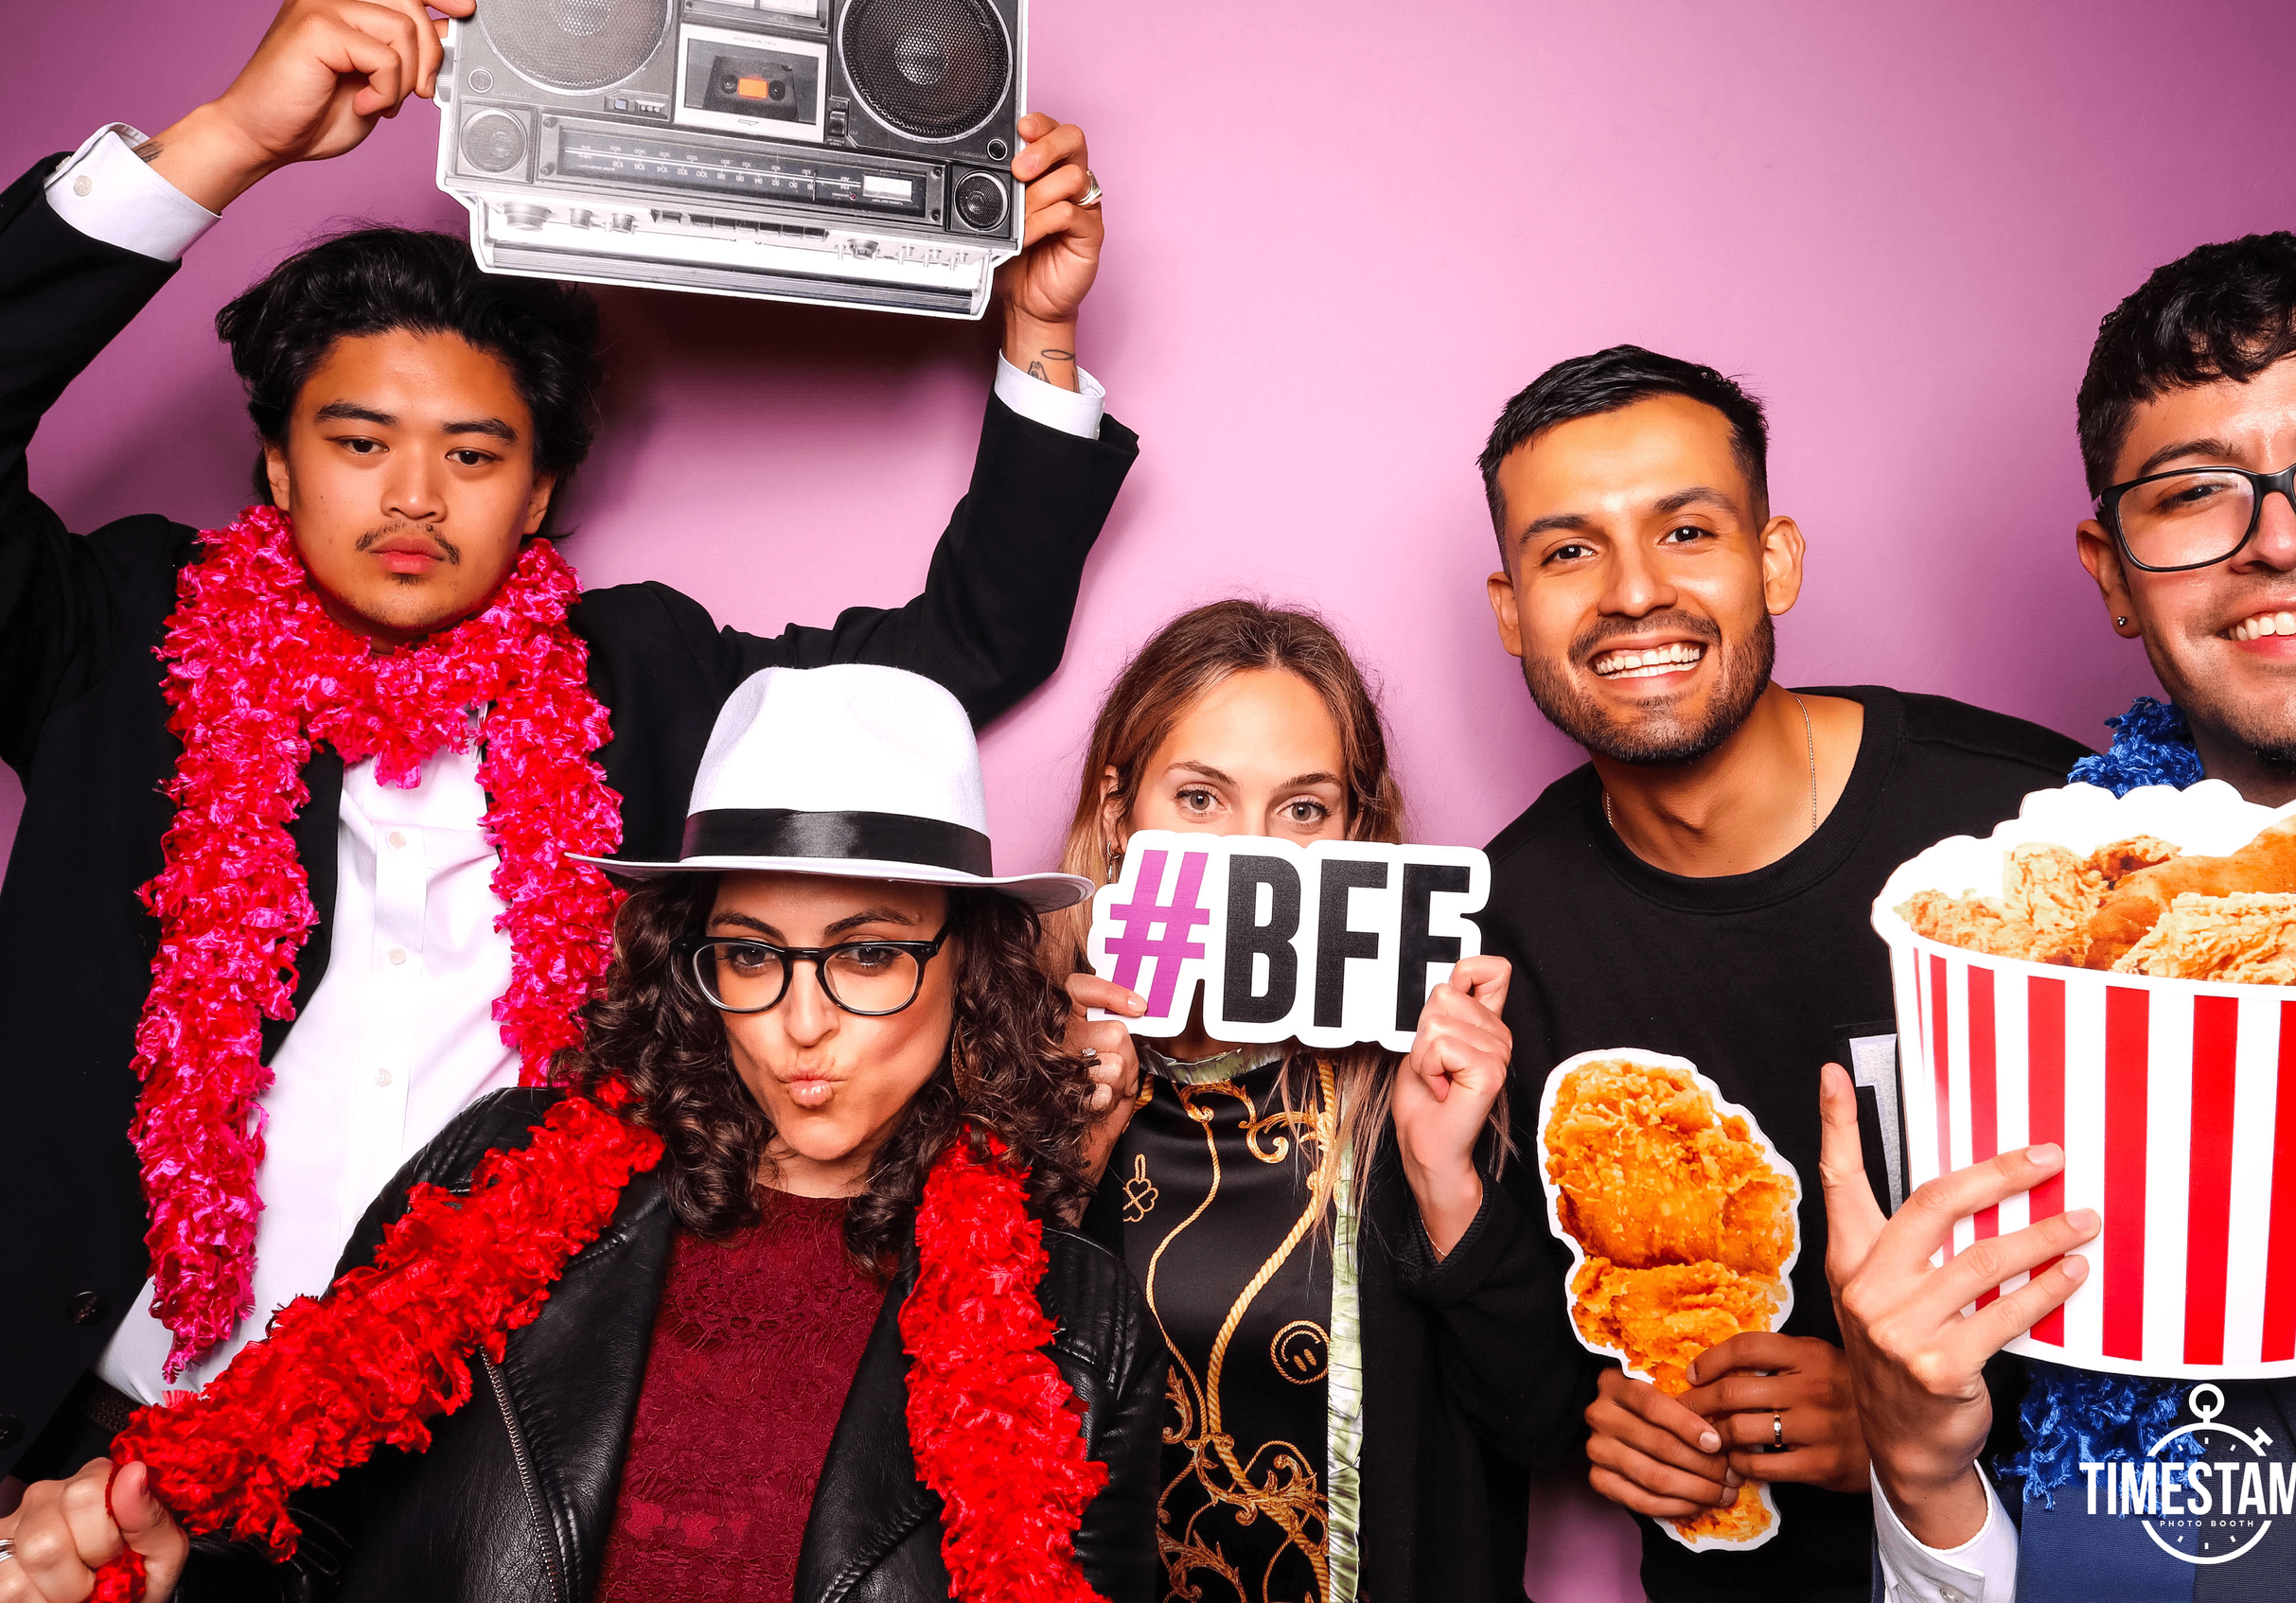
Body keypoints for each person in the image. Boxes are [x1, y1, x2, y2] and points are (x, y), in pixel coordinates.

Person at [0, 0, 1132, 1489]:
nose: (415, 493)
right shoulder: (123, 631)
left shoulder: (639, 677)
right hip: (96, 1444)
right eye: (358, 440)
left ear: (538, 494)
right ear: (276, 460)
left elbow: (958, 652)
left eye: (473, 454)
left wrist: (1039, 335)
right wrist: (229, 140)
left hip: (460, 1461)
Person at [0, 664, 1165, 1602]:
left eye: (867, 952)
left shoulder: (1079, 1325)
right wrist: (180, 1572)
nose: (801, 1028)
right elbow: (304, 1549)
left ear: (971, 962)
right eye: (753, 953)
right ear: (693, 963)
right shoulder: (494, 1171)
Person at [1473, 345, 2090, 1602]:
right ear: (1509, 609)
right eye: (1568, 551)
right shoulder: (1503, 919)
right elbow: (1532, 1383)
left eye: (1686, 528)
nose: (1633, 594)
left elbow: (2222, 1252)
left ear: (1776, 560)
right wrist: (1608, 1418)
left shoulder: (2035, 827)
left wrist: (1930, 1437)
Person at [1831, 232, 2296, 1603]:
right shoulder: (2004, 980)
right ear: (2114, 571)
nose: (2283, 536)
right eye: (2195, 492)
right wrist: (1924, 1472)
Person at [1044, 599, 1583, 1603]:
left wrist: (1443, 1177)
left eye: (1300, 809)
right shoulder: (1023, 1064)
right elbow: (951, 1429)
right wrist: (1063, 1161)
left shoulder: (1421, 1077)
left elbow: (1544, 1424)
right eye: (1201, 797)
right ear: (1119, 810)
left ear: (1354, 831)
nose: (1251, 851)